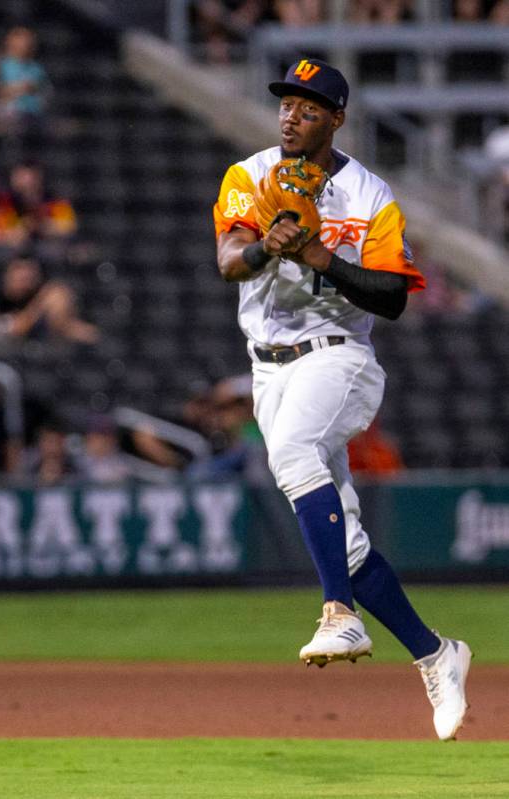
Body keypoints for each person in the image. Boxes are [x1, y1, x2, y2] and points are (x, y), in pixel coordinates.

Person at [213, 57, 472, 740]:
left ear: (336, 117)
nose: (291, 114)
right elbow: (227, 260)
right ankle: (437, 653)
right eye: (286, 103)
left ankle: (337, 611)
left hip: (340, 357)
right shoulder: (251, 175)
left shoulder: (369, 195)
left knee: (295, 452)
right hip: (269, 370)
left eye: (308, 105)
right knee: (344, 537)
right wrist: (270, 247)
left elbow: (392, 297)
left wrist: (323, 258)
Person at [0, 256, 99, 344]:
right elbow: (16, 329)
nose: (25, 284)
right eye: (20, 279)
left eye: (29, 278)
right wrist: (42, 300)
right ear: (7, 276)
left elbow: (89, 335)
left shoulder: (34, 297)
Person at [0, 27, 50, 128]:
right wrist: (19, 88)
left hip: (35, 117)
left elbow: (46, 94)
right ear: (9, 42)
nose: (24, 44)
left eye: (27, 40)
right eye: (20, 39)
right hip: (7, 117)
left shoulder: (37, 68)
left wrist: (35, 89)